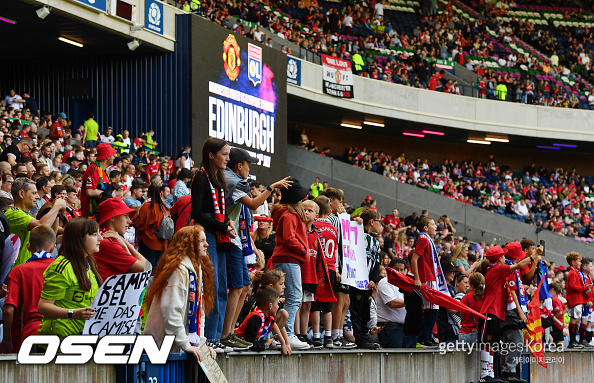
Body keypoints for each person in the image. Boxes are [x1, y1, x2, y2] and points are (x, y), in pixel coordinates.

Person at [219, 148, 291, 350]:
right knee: (237, 287)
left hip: (236, 241)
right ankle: (226, 333)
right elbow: (252, 204)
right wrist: (271, 187)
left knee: (244, 287)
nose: (249, 169)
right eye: (248, 164)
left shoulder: (233, 180)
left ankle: (230, 331)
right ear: (239, 165)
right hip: (230, 239)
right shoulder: (234, 181)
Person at [190, 138, 237, 352]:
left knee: (221, 286)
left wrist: (227, 223)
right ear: (211, 155)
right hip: (208, 233)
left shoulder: (217, 178)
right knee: (212, 285)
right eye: (224, 154)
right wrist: (221, 226)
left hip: (218, 234)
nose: (228, 158)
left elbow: (221, 210)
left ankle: (215, 336)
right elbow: (197, 213)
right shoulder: (201, 178)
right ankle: (208, 338)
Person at [144, 225, 217, 362]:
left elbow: (198, 313)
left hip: (177, 347)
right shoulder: (179, 271)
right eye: (201, 241)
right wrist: (185, 344)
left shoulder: (196, 269)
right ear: (189, 244)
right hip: (162, 349)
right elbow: (171, 311)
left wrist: (200, 344)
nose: (207, 244)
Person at [37, 218, 103, 341]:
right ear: (79, 238)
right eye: (94, 234)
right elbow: (43, 306)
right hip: (59, 340)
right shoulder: (61, 266)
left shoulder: (88, 263)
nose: (100, 238)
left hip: (83, 337)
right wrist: (72, 313)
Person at [478, 246, 532, 382]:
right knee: (488, 342)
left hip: (495, 311)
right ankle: (486, 375)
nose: (504, 258)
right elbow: (519, 265)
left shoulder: (496, 269)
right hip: (489, 310)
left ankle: (490, 373)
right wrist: (534, 256)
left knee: (494, 343)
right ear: (500, 258)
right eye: (502, 256)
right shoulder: (496, 268)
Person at [269, 178, 311, 350]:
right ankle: (287, 334)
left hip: (285, 257)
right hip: (289, 258)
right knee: (294, 297)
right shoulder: (290, 214)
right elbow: (289, 238)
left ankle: (277, 335)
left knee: (288, 297)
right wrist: (303, 250)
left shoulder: (286, 213)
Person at [0, 226, 56, 353]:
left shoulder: (18, 271)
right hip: (58, 331)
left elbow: (8, 310)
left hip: (30, 334)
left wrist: (7, 340)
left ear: (28, 246)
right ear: (53, 248)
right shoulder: (63, 269)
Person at [6, 178, 67, 267]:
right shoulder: (13, 213)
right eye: (34, 193)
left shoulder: (28, 215)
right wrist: (57, 206)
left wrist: (56, 212)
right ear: (21, 193)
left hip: (26, 269)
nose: (38, 197)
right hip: (15, 271)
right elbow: (42, 225)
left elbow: (51, 234)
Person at [93, 198, 147, 281]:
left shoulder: (109, 237)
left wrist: (123, 241)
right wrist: (125, 243)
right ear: (112, 217)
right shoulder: (108, 242)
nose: (129, 221)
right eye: (126, 216)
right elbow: (145, 268)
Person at [350, 208, 382, 349]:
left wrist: (373, 279)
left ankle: (364, 335)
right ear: (371, 222)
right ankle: (358, 337)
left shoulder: (375, 242)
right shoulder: (356, 235)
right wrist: (355, 221)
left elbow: (376, 263)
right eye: (379, 222)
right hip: (356, 281)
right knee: (356, 310)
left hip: (368, 283)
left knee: (365, 311)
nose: (381, 226)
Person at [410, 216, 440, 347]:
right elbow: (414, 259)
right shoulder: (423, 239)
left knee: (433, 309)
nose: (436, 226)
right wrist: (417, 278)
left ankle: (428, 335)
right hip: (427, 277)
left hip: (431, 277)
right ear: (425, 228)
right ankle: (424, 337)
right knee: (432, 309)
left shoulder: (427, 239)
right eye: (433, 224)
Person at [376, 258, 415, 348]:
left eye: (402, 270)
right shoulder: (385, 282)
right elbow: (392, 303)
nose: (399, 272)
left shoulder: (405, 284)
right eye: (396, 269)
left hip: (404, 328)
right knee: (394, 359)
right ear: (390, 269)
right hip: (390, 328)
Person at [235, 286, 287, 353]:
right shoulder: (255, 318)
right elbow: (249, 344)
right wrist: (266, 345)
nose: (278, 307)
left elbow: (274, 325)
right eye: (277, 304)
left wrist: (284, 344)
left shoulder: (268, 317)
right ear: (270, 306)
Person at [132, 185, 170, 268]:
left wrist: (130, 222)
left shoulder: (147, 207)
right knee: (158, 273)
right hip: (163, 244)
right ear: (161, 194)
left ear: (148, 195)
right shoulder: (165, 208)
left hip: (149, 243)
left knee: (148, 271)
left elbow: (139, 224)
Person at [81, 142, 117, 220]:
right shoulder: (93, 169)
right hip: (91, 216)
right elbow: (90, 191)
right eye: (112, 155)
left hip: (102, 213)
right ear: (107, 157)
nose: (114, 157)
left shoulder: (105, 171)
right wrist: (109, 194)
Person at [566, 251, 592, 348]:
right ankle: (572, 341)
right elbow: (572, 286)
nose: (580, 263)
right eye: (579, 261)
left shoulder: (576, 272)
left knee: (577, 320)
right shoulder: (572, 273)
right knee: (574, 319)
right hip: (574, 300)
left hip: (578, 300)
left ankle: (574, 341)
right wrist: (585, 288)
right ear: (573, 262)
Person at [459, 272, 485, 345]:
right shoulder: (485, 298)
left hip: (463, 334)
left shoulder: (464, 298)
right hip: (479, 334)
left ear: (470, 283)